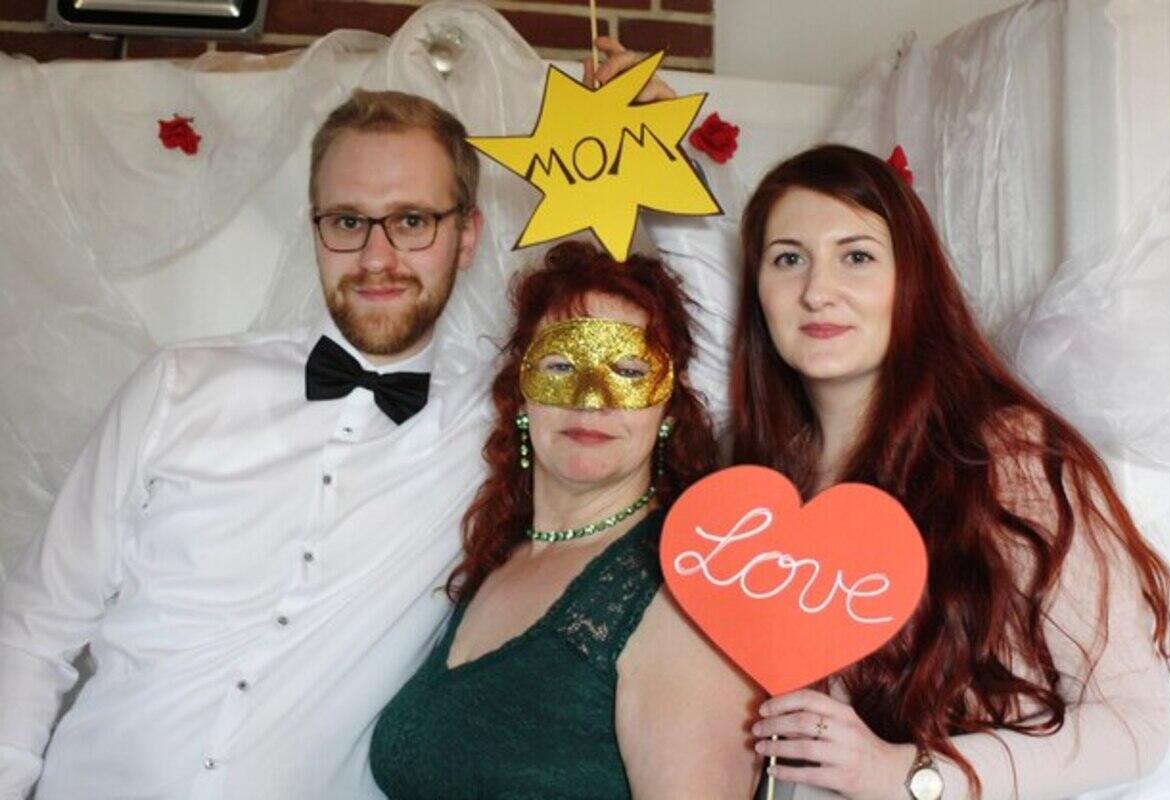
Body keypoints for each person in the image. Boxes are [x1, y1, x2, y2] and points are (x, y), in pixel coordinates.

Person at [0, 89, 490, 799]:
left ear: (466, 235)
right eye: (348, 221)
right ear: (315, 228)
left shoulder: (499, 426)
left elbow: (677, 382)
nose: (377, 256)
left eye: (412, 221)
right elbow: (36, 626)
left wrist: (671, 190)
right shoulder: (180, 386)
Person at [736, 145, 1170, 800]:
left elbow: (1134, 724)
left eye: (856, 256)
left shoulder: (1006, 457)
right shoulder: (762, 484)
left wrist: (902, 774)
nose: (816, 291)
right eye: (788, 258)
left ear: (911, 280)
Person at [368, 240, 761, 798]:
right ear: (521, 396)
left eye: (627, 370)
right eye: (559, 365)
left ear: (668, 409)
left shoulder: (679, 590)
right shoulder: (496, 558)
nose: (590, 400)